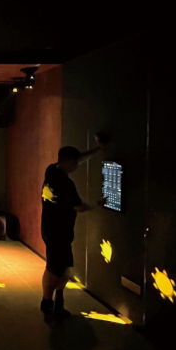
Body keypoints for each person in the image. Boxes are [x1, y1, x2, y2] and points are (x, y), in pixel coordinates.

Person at [40, 135, 109, 319]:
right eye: (75, 162)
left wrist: (97, 149)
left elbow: (79, 158)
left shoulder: (51, 170)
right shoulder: (66, 184)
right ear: (68, 161)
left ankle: (52, 302)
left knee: (59, 268)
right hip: (59, 233)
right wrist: (98, 204)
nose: (77, 165)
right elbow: (79, 207)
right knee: (57, 270)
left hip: (49, 228)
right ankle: (48, 303)